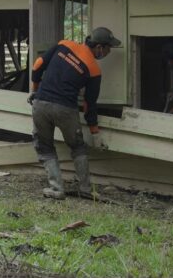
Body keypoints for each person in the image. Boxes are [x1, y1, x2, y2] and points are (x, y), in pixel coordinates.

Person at [29, 27, 122, 200]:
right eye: (109, 48)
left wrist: (35, 90)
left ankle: (56, 189)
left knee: (45, 147)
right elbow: (89, 104)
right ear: (99, 47)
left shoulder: (64, 44)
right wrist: (94, 131)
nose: (109, 52)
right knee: (77, 147)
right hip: (66, 109)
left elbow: (37, 65)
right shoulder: (93, 69)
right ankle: (85, 189)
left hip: (40, 104)